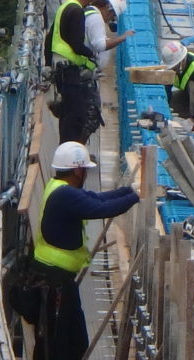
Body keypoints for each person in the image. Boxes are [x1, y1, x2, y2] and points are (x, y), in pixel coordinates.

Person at [17, 142, 140, 360]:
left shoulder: (59, 188)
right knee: (61, 346)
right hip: (54, 284)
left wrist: (128, 191)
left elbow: (96, 199)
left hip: (57, 280)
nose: (85, 175)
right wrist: (136, 197)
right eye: (84, 170)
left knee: (72, 342)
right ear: (77, 170)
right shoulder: (65, 196)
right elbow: (100, 208)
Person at [50, 0, 106, 146]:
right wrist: (91, 55)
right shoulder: (77, 11)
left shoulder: (66, 6)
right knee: (76, 116)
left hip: (60, 68)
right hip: (69, 71)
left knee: (68, 114)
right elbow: (76, 44)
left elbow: (50, 37)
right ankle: (70, 154)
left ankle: (66, 151)